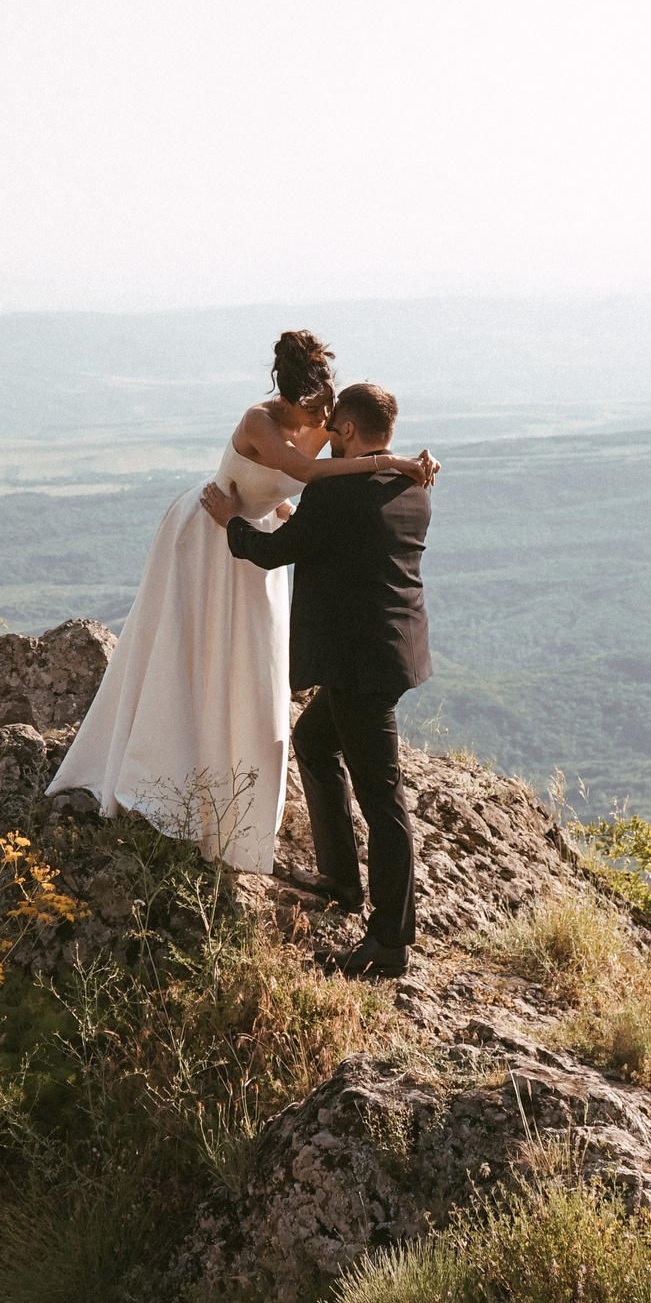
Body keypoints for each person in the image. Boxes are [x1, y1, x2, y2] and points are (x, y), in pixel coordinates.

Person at [45, 333, 435, 874]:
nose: (322, 422)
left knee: (250, 668)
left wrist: (378, 471)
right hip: (210, 532)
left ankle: (232, 776)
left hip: (255, 543)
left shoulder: (321, 417)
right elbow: (306, 474)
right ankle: (165, 763)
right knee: (189, 652)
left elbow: (340, 469)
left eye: (328, 412)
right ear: (290, 395)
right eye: (314, 409)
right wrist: (393, 463)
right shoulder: (259, 421)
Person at [198, 381, 431, 980]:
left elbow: (278, 554)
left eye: (333, 428)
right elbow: (347, 542)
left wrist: (232, 522)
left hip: (358, 664)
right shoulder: (410, 487)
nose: (326, 436)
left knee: (383, 799)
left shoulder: (342, 493)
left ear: (349, 431)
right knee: (314, 741)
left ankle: (389, 941)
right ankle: (340, 880)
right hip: (390, 652)